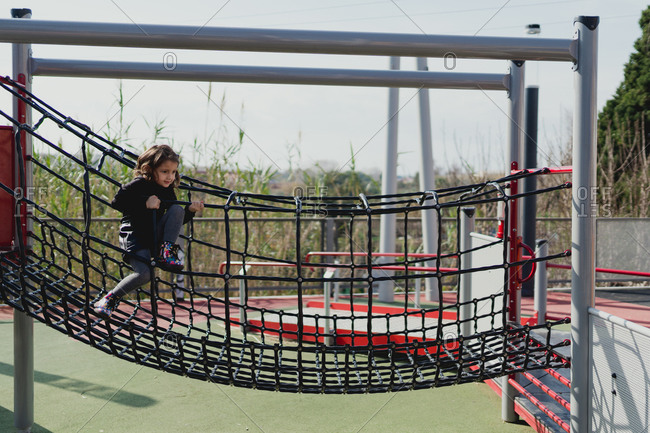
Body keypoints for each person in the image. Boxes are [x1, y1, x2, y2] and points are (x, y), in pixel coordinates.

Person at [93, 144, 204, 318]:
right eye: (165, 171)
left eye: (173, 172)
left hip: (154, 234)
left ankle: (166, 252)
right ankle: (109, 299)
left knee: (177, 209)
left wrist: (190, 211)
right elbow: (117, 202)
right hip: (135, 235)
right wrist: (144, 204)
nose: (170, 177)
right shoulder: (139, 184)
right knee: (144, 274)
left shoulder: (168, 190)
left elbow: (175, 222)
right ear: (149, 169)